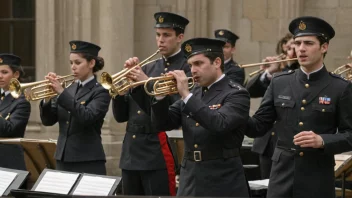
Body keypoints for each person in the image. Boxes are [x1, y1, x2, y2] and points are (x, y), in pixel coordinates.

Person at [245, 16, 352, 198]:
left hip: (317, 177)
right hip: (281, 175)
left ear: (324, 47)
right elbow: (257, 127)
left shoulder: (340, 87)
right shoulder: (279, 82)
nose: (300, 49)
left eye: (308, 43)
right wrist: (236, 110)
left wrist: (323, 140)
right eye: (297, 43)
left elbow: (350, 135)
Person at [150, 38, 250, 197]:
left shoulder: (236, 93)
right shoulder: (194, 93)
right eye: (190, 65)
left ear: (217, 62)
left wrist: (185, 95)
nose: (193, 70)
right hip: (190, 177)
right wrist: (160, 98)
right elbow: (163, 123)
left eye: (198, 64)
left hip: (222, 179)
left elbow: (220, 124)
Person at [113, 12, 190, 196]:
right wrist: (120, 93)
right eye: (158, 35)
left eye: (166, 35)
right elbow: (121, 116)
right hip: (131, 152)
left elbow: (173, 111)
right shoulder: (148, 67)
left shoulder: (186, 67)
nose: (160, 40)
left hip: (157, 151)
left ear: (180, 37)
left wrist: (146, 82)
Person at [40, 40, 110, 175]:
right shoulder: (68, 89)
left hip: (87, 160)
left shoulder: (100, 91)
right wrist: (47, 97)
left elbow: (87, 117)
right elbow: (48, 121)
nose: (73, 67)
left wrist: (61, 92)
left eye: (78, 63)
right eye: (71, 63)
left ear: (91, 63)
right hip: (63, 157)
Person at [245, 34, 299, 179]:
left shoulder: (302, 69)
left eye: (296, 45)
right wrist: (268, 72)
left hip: (290, 141)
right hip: (267, 141)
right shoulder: (276, 71)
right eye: (289, 47)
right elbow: (248, 90)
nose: (292, 50)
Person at [0, 54, 30, 170]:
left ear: (16, 74)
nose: (0, 76)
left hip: (9, 162)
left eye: (4, 72)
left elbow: (10, 129)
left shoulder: (22, 102)